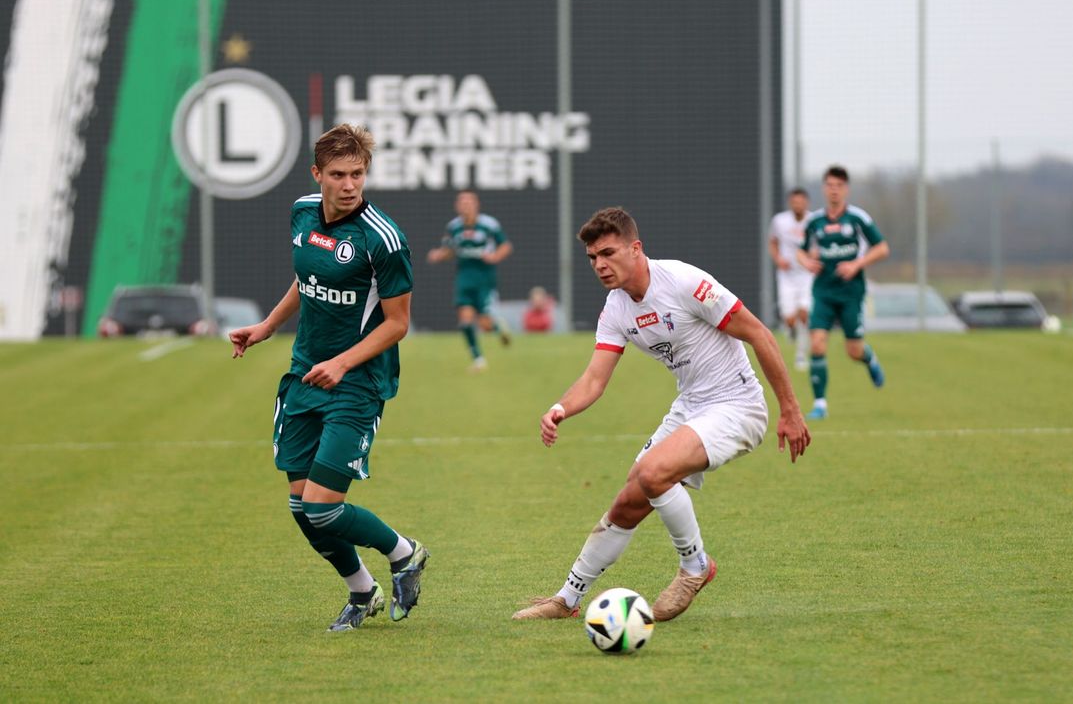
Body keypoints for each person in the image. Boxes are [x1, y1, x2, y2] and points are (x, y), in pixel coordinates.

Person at [512, 207, 810, 623]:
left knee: (653, 474)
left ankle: (695, 567)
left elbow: (759, 332)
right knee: (629, 501)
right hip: (691, 406)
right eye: (593, 258)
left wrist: (791, 410)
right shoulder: (616, 308)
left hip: (737, 405)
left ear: (636, 249)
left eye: (608, 253)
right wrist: (561, 408)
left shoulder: (685, 282)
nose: (600, 265)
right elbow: (595, 379)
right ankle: (566, 599)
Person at [228, 123, 429, 632]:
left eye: (357, 174)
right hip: (304, 375)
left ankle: (405, 553)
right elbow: (306, 279)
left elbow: (398, 323)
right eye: (337, 174)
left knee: (321, 507)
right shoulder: (301, 212)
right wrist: (268, 326)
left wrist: (343, 362)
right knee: (301, 506)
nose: (349, 184)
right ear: (317, 173)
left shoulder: (383, 239)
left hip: (356, 383)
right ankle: (363, 591)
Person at [795, 165, 890, 420]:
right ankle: (820, 405)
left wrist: (856, 264)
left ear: (845, 189)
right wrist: (805, 262)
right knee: (817, 344)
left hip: (851, 293)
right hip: (823, 292)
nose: (834, 190)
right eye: (829, 185)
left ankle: (869, 360)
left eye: (838, 186)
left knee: (853, 351)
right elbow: (800, 251)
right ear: (824, 189)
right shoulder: (815, 222)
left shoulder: (857, 218)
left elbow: (882, 248)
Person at [427, 190, 513, 371]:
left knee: (484, 324)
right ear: (457, 206)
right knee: (465, 321)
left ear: (476, 205)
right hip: (464, 277)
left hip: (484, 278)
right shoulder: (453, 227)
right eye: (462, 203)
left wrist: (495, 256)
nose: (465, 206)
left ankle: (498, 327)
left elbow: (506, 245)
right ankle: (478, 360)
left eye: (469, 202)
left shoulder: (489, 224)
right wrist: (439, 255)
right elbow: (450, 250)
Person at [768, 187, 814, 371]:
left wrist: (813, 258)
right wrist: (778, 259)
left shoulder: (813, 221)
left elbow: (819, 245)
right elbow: (772, 243)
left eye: (801, 201)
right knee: (789, 318)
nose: (798, 205)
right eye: (794, 201)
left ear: (806, 203)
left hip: (806, 275)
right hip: (787, 276)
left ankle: (801, 355)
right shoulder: (780, 221)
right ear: (790, 203)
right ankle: (791, 329)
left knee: (804, 313)